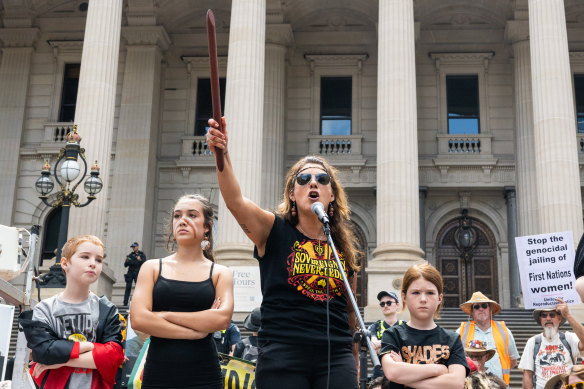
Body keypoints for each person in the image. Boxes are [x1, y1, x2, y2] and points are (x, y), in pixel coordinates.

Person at [207, 118, 361, 388]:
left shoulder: (343, 248)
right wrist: (224, 152)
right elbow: (235, 201)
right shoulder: (273, 230)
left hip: (335, 357)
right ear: (292, 192)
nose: (313, 182)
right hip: (283, 354)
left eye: (322, 179)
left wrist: (354, 353)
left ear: (332, 194)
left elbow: (349, 309)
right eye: (304, 179)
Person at [130, 194, 234, 389]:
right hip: (158, 375)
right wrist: (195, 332)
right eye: (177, 216)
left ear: (207, 227)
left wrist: (162, 315)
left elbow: (221, 320)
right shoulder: (151, 267)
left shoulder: (220, 273)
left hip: (204, 376)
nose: (182, 220)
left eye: (192, 215)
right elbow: (138, 319)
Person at [19, 235, 124, 389]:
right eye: (85, 257)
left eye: (98, 260)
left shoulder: (106, 309)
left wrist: (60, 361)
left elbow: (115, 355)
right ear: (65, 263)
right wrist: (92, 347)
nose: (93, 264)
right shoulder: (45, 309)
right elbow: (43, 351)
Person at [380, 263, 468, 389]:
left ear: (440, 298)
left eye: (430, 293)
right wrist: (437, 369)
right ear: (404, 297)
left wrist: (405, 376)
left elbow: (456, 383)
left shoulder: (452, 339)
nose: (423, 299)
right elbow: (393, 372)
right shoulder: (393, 335)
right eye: (416, 292)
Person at [519, 299, 584, 389]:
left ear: (559, 318)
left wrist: (568, 315)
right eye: (544, 315)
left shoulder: (569, 338)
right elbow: (527, 375)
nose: (548, 318)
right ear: (540, 319)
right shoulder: (533, 342)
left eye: (552, 315)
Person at [457, 291, 519, 385]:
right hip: (471, 385)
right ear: (472, 312)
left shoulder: (504, 330)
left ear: (490, 310)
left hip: (499, 385)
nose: (481, 309)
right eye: (476, 307)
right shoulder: (461, 331)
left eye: (484, 306)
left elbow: (513, 360)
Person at [368, 290, 402, 379]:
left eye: (389, 303)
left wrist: (382, 347)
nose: (385, 306)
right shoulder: (375, 326)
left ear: (397, 305)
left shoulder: (404, 325)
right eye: (382, 304)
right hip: (379, 372)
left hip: (401, 370)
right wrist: (396, 345)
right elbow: (373, 346)